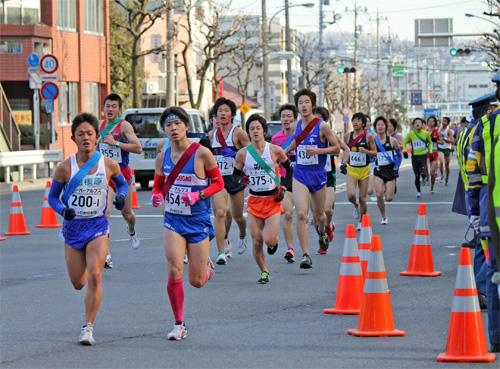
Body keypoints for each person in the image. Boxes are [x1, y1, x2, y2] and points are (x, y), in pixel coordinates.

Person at [48, 113, 128, 345]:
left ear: (97, 137)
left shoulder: (108, 164)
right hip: (73, 228)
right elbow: (53, 197)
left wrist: (121, 196)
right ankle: (87, 319)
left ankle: (88, 327)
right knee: (78, 283)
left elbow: (121, 183)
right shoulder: (65, 168)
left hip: (98, 226)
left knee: (95, 274)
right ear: (73, 138)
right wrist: (63, 211)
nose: (85, 138)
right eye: (80, 134)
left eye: (89, 134)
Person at [151, 107, 224, 340]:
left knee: (197, 282)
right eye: (168, 125)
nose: (173, 129)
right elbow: (158, 185)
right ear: (164, 129)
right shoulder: (162, 157)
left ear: (186, 126)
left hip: (198, 220)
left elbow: (219, 183)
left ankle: (205, 267)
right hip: (173, 220)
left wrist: (199, 195)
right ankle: (179, 323)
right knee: (174, 269)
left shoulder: (202, 153)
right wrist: (156, 195)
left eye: (177, 124)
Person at [233, 114, 293, 283]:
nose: (255, 131)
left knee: (269, 240)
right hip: (254, 201)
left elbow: (289, 170)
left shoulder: (275, 150)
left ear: (264, 131)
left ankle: (274, 242)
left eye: (258, 128)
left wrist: (284, 187)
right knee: (257, 240)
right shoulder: (243, 154)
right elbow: (235, 175)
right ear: (248, 133)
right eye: (252, 129)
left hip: (273, 200)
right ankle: (264, 271)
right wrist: (241, 180)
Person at [284, 88, 340, 268]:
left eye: (306, 102)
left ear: (313, 105)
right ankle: (306, 254)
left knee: (320, 215)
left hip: (318, 175)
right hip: (300, 174)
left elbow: (337, 149)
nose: (303, 105)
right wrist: (285, 151)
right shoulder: (295, 126)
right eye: (300, 103)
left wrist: (319, 151)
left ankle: (322, 232)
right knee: (301, 214)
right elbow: (297, 141)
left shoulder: (322, 125)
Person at [467, 75, 500, 353]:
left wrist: (474, 213)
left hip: (492, 218)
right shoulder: (485, 126)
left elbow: (472, 172)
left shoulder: (485, 126)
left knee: (495, 274)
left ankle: (498, 338)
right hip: (492, 218)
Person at [455, 93, 497, 307]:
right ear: (488, 112)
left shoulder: (464, 132)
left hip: (471, 191)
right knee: (484, 248)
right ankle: (481, 290)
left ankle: (481, 289)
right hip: (482, 192)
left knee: (483, 243)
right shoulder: (482, 131)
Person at [98, 94, 142, 269]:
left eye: (114, 106)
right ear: (103, 108)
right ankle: (106, 255)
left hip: (122, 175)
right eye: (107, 106)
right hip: (104, 175)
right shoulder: (98, 126)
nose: (110, 109)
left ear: (119, 109)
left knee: (127, 214)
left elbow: (138, 147)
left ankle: (131, 230)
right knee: (105, 214)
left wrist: (116, 144)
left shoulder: (124, 125)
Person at [208, 97, 250, 264]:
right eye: (220, 111)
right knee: (220, 212)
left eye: (226, 111)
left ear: (232, 115)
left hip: (236, 177)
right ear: (216, 116)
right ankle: (221, 251)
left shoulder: (239, 133)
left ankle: (242, 233)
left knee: (238, 216)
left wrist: (236, 154)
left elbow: (251, 153)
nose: (222, 114)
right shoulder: (212, 135)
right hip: (218, 179)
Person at [313, 107, 350, 250]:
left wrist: (344, 164)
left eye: (319, 119)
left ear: (326, 121)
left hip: (327, 176)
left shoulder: (331, 135)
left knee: (327, 210)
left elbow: (345, 149)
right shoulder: (305, 135)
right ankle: (322, 243)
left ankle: (328, 226)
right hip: (312, 176)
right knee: (316, 216)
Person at [271, 104, 298, 263]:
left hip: (302, 178)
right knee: (287, 213)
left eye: (289, 116)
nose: (286, 119)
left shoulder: (301, 135)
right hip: (284, 179)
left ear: (295, 119)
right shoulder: (276, 139)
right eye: (283, 116)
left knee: (306, 215)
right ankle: (290, 249)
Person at [343, 112, 376, 230]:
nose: (355, 123)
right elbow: (345, 150)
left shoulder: (369, 137)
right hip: (352, 169)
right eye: (353, 120)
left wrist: (366, 151)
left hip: (364, 170)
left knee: (362, 198)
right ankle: (355, 205)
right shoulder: (347, 136)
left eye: (358, 120)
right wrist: (343, 162)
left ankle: (362, 220)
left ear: (363, 123)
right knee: (351, 195)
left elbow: (375, 152)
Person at [372, 116, 399, 224]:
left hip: (390, 170)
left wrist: (396, 165)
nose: (380, 126)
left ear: (386, 127)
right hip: (378, 170)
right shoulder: (373, 141)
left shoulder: (392, 141)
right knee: (379, 194)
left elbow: (398, 155)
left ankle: (393, 185)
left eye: (382, 125)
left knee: (388, 198)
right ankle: (383, 216)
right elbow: (370, 155)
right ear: (375, 127)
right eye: (378, 125)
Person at [403, 118, 433, 198]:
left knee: (423, 172)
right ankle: (418, 191)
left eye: (419, 123)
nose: (417, 124)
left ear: (422, 124)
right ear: (413, 125)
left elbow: (430, 143)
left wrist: (430, 152)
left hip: (423, 156)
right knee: (416, 176)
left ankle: (424, 177)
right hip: (415, 157)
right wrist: (405, 151)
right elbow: (404, 143)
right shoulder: (411, 134)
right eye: (416, 123)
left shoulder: (426, 133)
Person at [426, 116, 443, 194]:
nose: (431, 122)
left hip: (434, 152)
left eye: (432, 121)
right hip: (426, 152)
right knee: (425, 170)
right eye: (429, 121)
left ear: (435, 122)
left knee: (432, 173)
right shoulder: (424, 131)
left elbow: (442, 142)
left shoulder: (438, 132)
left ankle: (432, 187)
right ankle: (425, 177)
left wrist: (435, 141)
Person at [387, 118, 403, 194]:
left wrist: (394, 146)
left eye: (391, 126)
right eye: (388, 126)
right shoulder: (384, 135)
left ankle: (394, 185)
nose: (389, 128)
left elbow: (402, 145)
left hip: (395, 157)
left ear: (394, 127)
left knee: (394, 173)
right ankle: (387, 187)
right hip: (386, 156)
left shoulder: (396, 135)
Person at [437, 116, 453, 186]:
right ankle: (442, 175)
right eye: (443, 121)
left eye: (445, 121)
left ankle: (447, 177)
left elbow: (452, 140)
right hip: (440, 148)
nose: (443, 122)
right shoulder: (439, 130)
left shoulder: (448, 131)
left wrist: (445, 139)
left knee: (447, 165)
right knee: (441, 162)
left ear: (448, 123)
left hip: (447, 148)